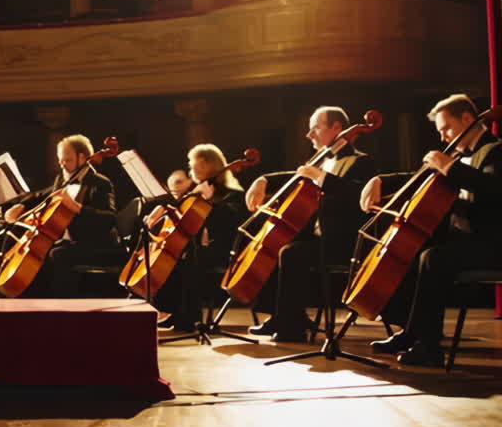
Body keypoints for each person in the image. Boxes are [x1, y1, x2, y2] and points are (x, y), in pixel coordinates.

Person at [367, 94, 501, 366]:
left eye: (447, 128)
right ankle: (412, 332)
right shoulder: (460, 155)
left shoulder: (496, 150)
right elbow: (417, 178)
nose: (443, 137)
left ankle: (430, 348)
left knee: (434, 258)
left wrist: (449, 167)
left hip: (493, 244)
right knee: (415, 249)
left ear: (467, 119)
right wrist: (380, 180)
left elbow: (493, 188)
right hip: (467, 243)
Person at [243, 106, 376, 342]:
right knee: (274, 242)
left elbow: (355, 194)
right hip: (317, 239)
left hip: (343, 241)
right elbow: (294, 176)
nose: (309, 135)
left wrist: (320, 177)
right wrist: (263, 180)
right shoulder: (322, 161)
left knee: (292, 253)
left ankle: (291, 327)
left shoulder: (361, 162)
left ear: (337, 128)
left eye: (316, 128)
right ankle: (283, 315)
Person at [2, 134, 120, 297]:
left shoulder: (100, 183)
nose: (62, 165)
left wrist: (77, 207)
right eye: (60, 160)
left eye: (67, 160)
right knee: (38, 251)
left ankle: (64, 308)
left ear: (82, 157)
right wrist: (20, 205)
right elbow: (41, 195)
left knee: (57, 255)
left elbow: (109, 219)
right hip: (68, 243)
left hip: (96, 245)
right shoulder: (62, 181)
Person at [153, 145, 245, 332]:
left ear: (205, 165)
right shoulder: (195, 193)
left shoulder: (233, 194)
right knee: (174, 256)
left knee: (188, 259)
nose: (191, 169)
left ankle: (188, 317)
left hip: (223, 252)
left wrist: (211, 203)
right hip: (197, 249)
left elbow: (231, 226)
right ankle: (173, 312)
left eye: (193, 164)